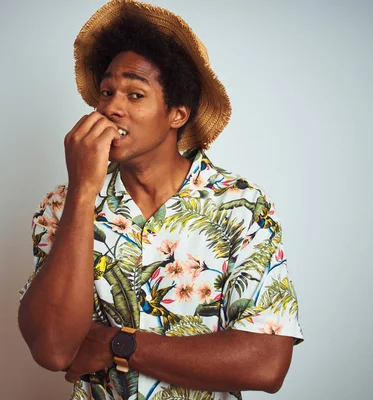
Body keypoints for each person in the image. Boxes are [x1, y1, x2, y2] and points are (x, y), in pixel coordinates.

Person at [18, 1, 303, 399]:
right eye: (106, 92)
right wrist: (83, 190)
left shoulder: (240, 206)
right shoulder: (62, 204)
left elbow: (266, 363)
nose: (111, 107)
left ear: (177, 114)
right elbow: (52, 348)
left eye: (135, 94)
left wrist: (118, 344)